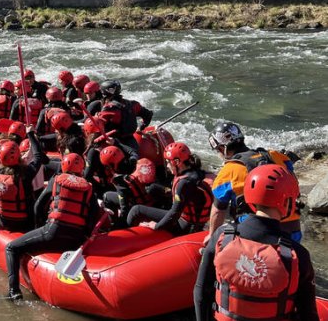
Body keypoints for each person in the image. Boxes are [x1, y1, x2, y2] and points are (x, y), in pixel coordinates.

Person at [194, 165, 318, 320]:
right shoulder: (298, 255)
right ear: (287, 201)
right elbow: (308, 314)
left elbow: (200, 292)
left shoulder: (222, 236)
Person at [5, 153, 100, 300]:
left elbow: (38, 205)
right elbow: (93, 216)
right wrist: (85, 235)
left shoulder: (56, 180)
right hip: (76, 240)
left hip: (52, 233)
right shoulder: (88, 187)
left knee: (11, 248)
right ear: (81, 168)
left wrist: (38, 227)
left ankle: (14, 291)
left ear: (63, 166)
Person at [206, 121, 302, 243]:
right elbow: (291, 172)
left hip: (257, 234)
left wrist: (211, 236)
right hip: (293, 230)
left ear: (221, 148)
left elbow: (218, 209)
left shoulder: (228, 171)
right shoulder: (276, 156)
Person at [127, 142, 213, 235]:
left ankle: (124, 231)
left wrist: (156, 226)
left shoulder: (184, 183)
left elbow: (175, 213)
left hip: (184, 226)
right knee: (153, 188)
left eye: (168, 162)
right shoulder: (198, 172)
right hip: (195, 222)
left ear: (176, 162)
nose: (167, 166)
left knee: (136, 210)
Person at [104, 158, 167, 228]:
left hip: (139, 210)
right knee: (108, 196)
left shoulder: (124, 181)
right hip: (147, 205)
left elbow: (124, 208)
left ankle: (113, 225)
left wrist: (118, 226)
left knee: (107, 196)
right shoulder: (155, 184)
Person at [97, 79, 152, 151]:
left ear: (104, 95)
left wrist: (96, 117)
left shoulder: (108, 109)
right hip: (132, 143)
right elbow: (148, 114)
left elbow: (97, 127)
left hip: (112, 144)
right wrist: (141, 127)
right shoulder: (133, 104)